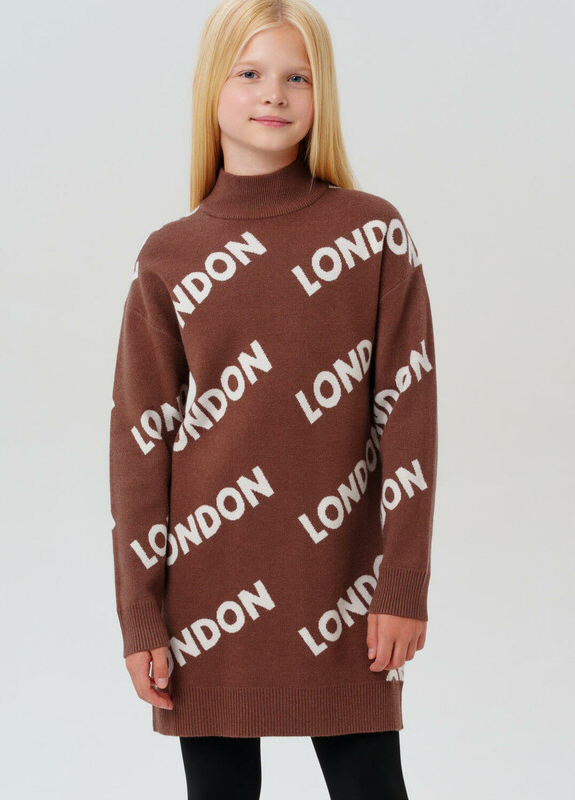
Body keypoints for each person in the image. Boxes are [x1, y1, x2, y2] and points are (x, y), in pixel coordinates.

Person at [108, 1, 438, 798]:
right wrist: (141, 615)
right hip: (207, 601)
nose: (274, 93)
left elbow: (410, 417)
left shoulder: (373, 234)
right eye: (251, 72)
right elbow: (140, 449)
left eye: (299, 77)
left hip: (346, 595)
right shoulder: (169, 256)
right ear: (211, 89)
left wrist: (402, 584)